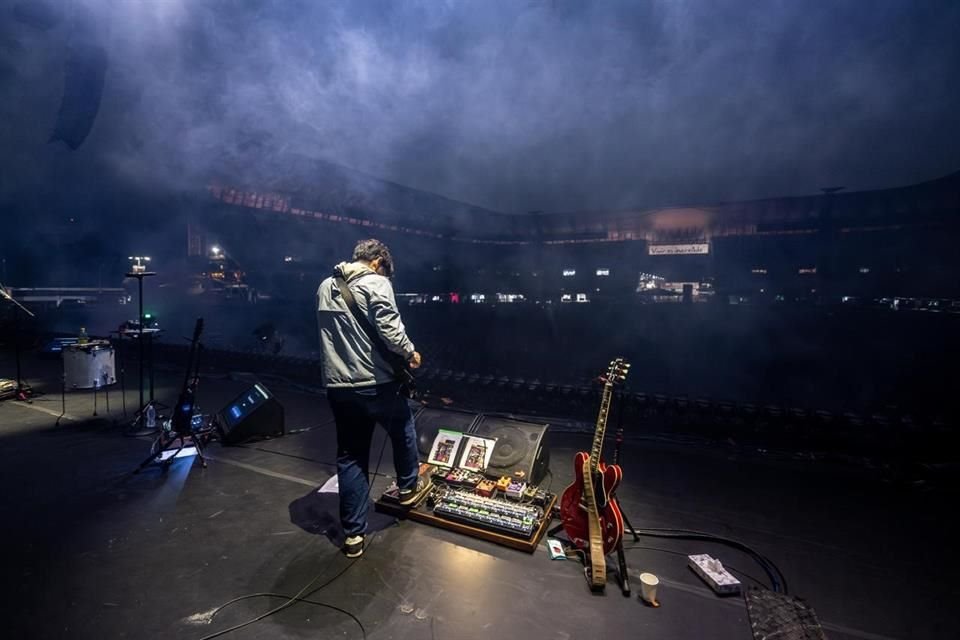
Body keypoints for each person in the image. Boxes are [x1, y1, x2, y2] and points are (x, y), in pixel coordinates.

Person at [316, 238, 430, 558]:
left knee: (351, 455)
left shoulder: (325, 286)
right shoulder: (376, 282)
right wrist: (411, 353)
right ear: (378, 261)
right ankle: (408, 489)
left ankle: (353, 536)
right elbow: (391, 331)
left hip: (338, 386)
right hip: (375, 384)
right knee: (403, 427)